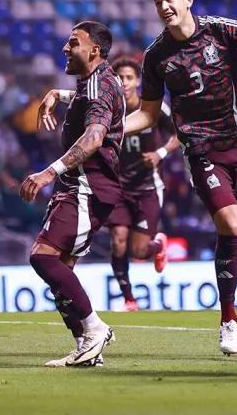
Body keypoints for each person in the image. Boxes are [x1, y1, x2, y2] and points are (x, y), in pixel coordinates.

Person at [124, 0, 237, 355]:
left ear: (188, 0)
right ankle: (229, 320)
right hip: (202, 150)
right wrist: (111, 127)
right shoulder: (155, 57)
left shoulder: (222, 30)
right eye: (158, 2)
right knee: (232, 224)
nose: (164, 7)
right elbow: (149, 115)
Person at [21, 21, 125, 368]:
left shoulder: (98, 84)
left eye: (73, 43)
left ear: (93, 50)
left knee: (42, 256)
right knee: (61, 270)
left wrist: (49, 172)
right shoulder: (95, 82)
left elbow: (94, 137)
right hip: (85, 184)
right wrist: (57, 93)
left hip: (87, 184)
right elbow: (88, 98)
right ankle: (85, 346)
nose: (65, 49)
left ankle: (94, 330)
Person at [44, 58, 178, 312]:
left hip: (149, 186)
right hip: (118, 187)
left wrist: (160, 153)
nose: (125, 82)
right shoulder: (108, 103)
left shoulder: (155, 109)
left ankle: (157, 244)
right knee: (118, 240)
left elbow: (178, 132)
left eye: (130, 77)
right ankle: (129, 299)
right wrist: (55, 93)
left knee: (138, 250)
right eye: (120, 77)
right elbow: (82, 97)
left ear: (138, 81)